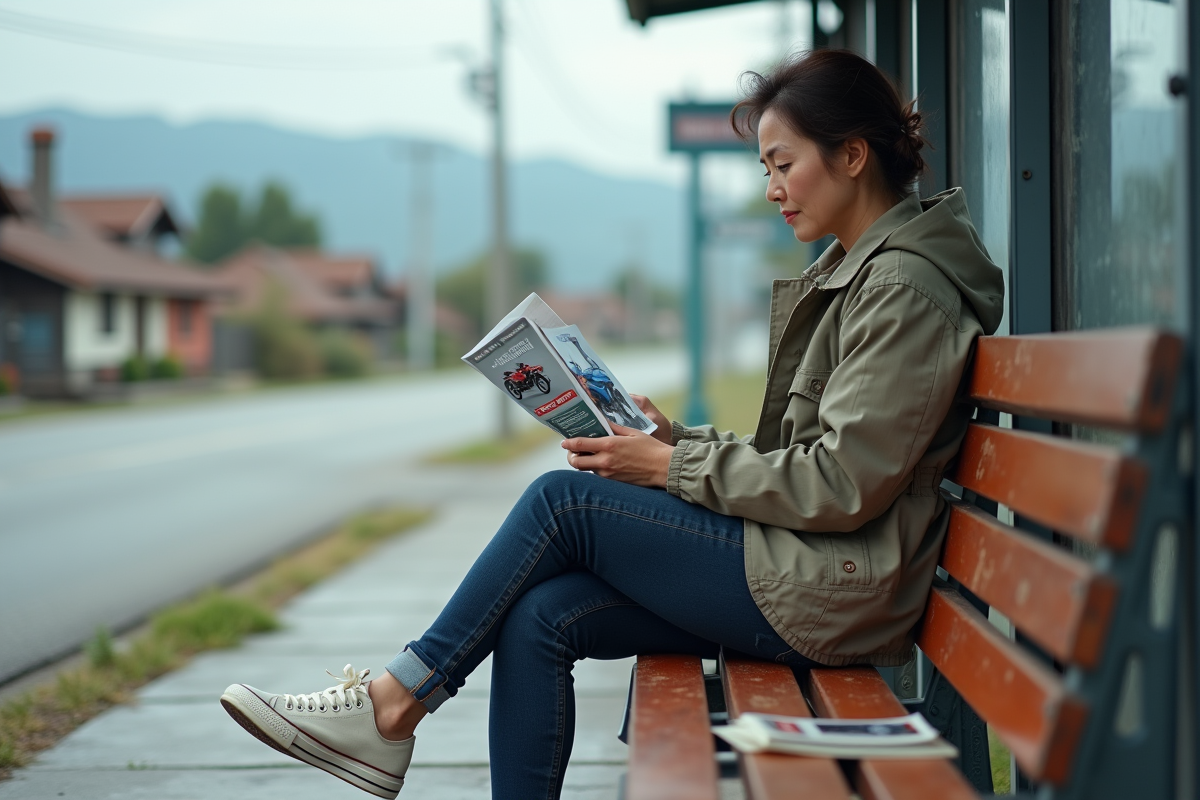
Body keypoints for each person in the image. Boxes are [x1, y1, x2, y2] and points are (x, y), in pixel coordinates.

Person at [219, 48, 1004, 800]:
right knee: (539, 616)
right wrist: (677, 443)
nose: (771, 187)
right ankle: (394, 711)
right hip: (815, 567)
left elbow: (842, 484)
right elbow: (812, 459)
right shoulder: (857, 272)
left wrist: (667, 470)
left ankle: (393, 706)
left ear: (854, 156)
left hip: (836, 588)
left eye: (783, 162)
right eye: (766, 168)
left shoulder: (900, 290)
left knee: (562, 503)